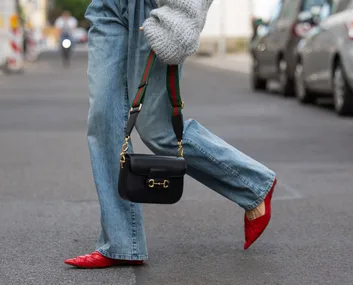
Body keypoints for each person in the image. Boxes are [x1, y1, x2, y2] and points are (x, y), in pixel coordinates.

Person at [64, 0, 277, 269]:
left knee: (159, 132)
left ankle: (253, 185)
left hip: (152, 7)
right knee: (103, 120)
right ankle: (120, 244)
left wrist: (185, 12)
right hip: (106, 8)